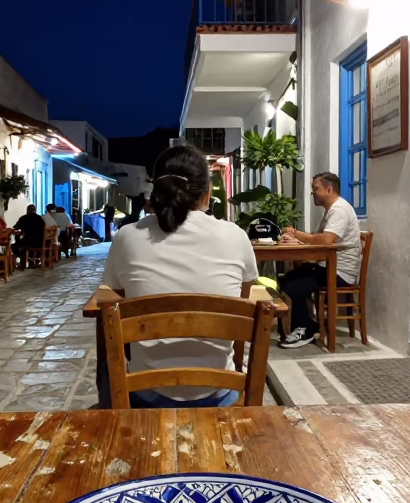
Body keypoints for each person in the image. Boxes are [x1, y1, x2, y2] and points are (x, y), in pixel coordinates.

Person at [101, 143, 258, 408]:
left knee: (106, 352)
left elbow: (121, 296)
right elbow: (243, 300)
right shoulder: (236, 236)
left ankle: (112, 421)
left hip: (145, 393)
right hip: (219, 392)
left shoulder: (127, 236)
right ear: (206, 194)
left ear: (157, 190)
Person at [277, 171, 361, 348]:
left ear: (329, 189)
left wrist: (295, 234)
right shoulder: (331, 210)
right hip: (327, 266)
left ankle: (305, 329)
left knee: (293, 286)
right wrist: (295, 241)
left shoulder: (339, 210)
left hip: (339, 272)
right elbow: (317, 237)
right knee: (287, 279)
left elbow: (325, 240)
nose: (312, 192)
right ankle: (306, 324)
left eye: (315, 188)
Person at [13, 204, 47, 269]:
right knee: (25, 243)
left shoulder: (23, 218)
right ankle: (33, 261)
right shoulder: (40, 219)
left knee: (16, 246)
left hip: (28, 242)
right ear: (35, 210)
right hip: (40, 243)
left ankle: (23, 263)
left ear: (27, 210)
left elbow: (16, 228)